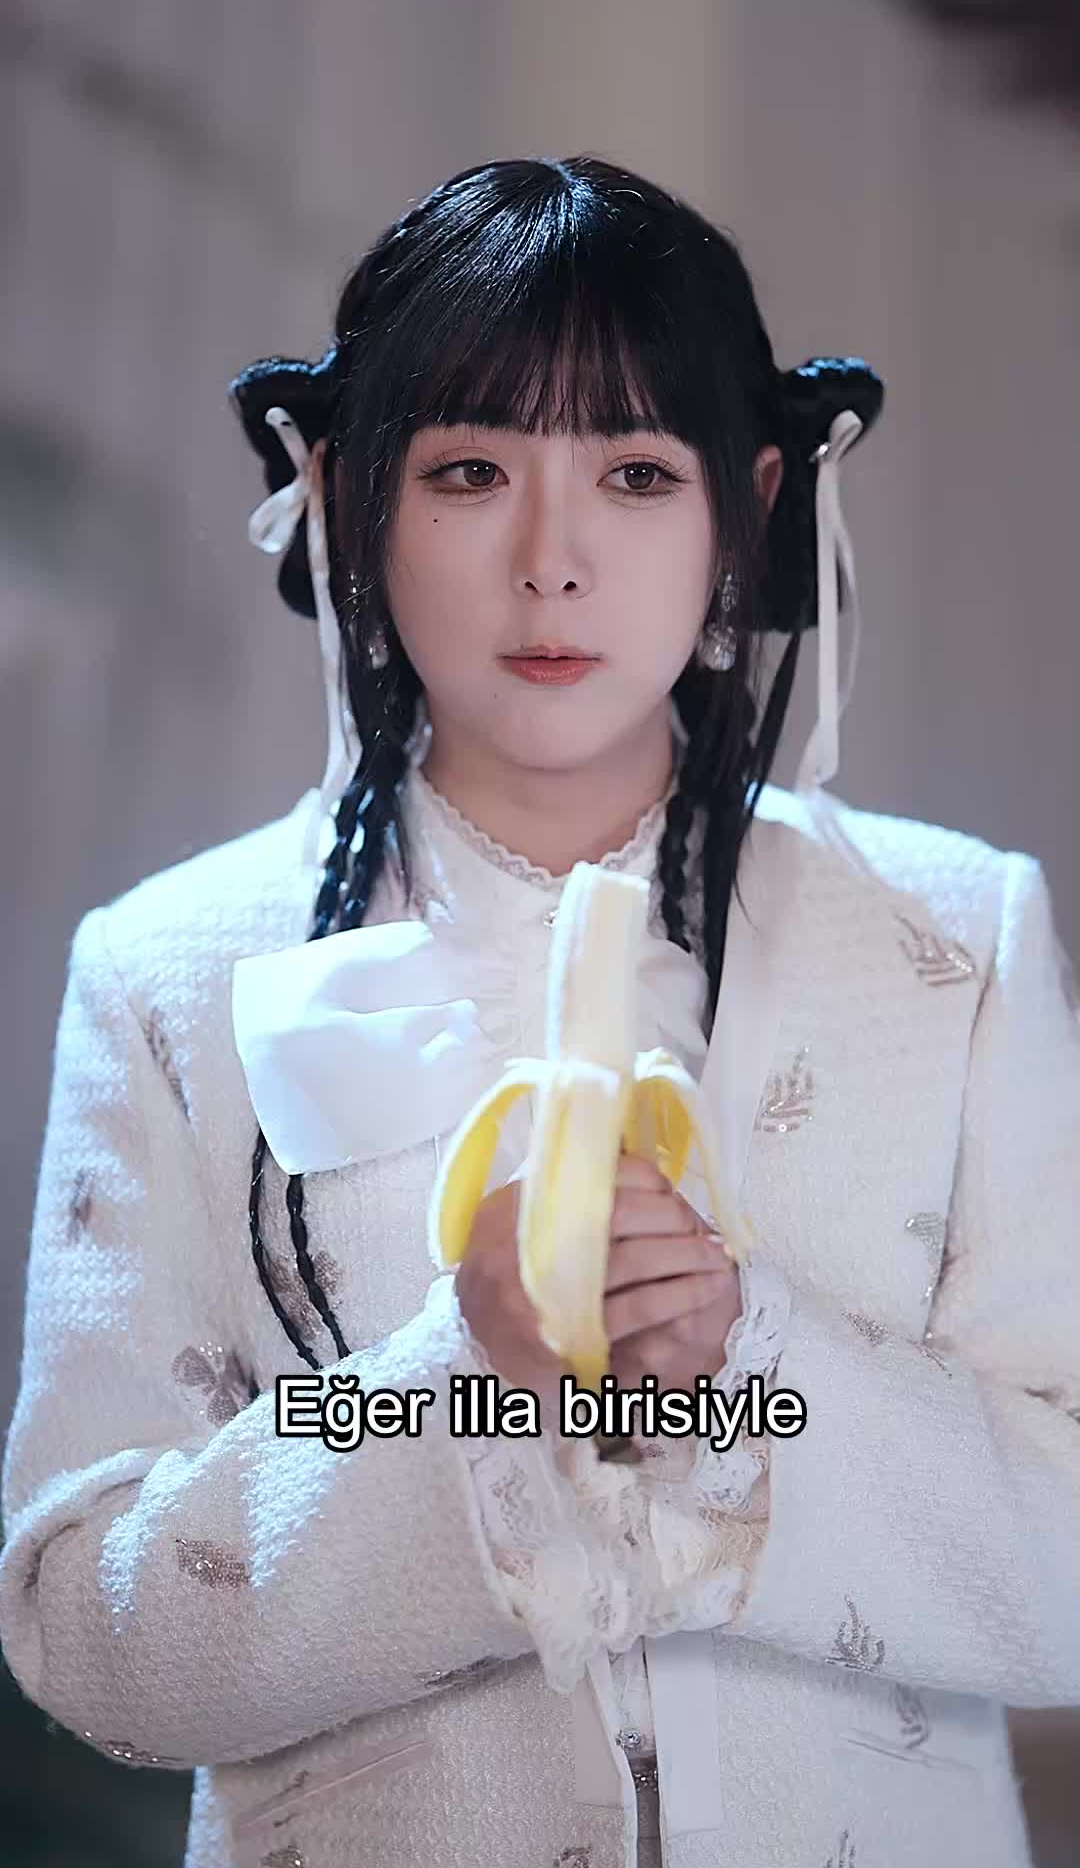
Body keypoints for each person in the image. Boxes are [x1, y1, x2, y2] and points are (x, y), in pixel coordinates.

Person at [1, 154, 1077, 1868]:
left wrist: (749, 1366)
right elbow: (87, 1637)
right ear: (346, 497)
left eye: (638, 473)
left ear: (750, 506)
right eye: (469, 470)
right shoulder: (169, 972)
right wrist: (462, 1377)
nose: (551, 562)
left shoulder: (952, 944)